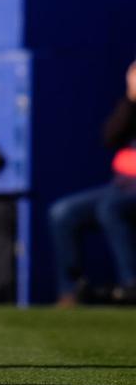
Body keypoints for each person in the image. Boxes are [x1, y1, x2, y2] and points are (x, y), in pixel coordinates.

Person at [49, 61, 136, 306]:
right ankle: (70, 291)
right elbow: (111, 137)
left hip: (124, 195)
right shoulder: (133, 105)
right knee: (62, 212)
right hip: (123, 186)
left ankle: (131, 285)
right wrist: (131, 97)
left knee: (110, 208)